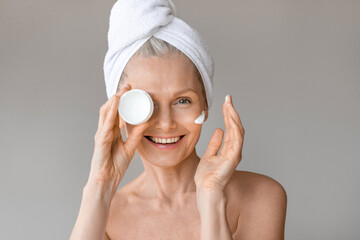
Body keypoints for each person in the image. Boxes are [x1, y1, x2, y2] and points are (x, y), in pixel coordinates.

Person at [70, 1, 287, 240]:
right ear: (119, 112)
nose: (165, 124)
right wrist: (100, 184)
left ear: (205, 103)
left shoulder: (261, 196)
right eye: (146, 104)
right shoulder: (106, 218)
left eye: (182, 101)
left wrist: (211, 198)